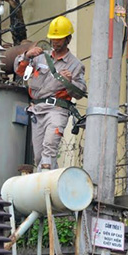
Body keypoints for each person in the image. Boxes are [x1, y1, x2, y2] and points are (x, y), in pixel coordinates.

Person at [14, 16, 87, 170]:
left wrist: (70, 81)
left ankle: (46, 190)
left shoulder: (75, 65)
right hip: (37, 110)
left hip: (57, 111)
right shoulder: (40, 56)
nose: (55, 42)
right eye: (53, 38)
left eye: (59, 39)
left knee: (49, 149)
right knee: (39, 155)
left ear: (68, 39)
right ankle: (48, 184)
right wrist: (27, 56)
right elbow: (19, 71)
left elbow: (80, 92)